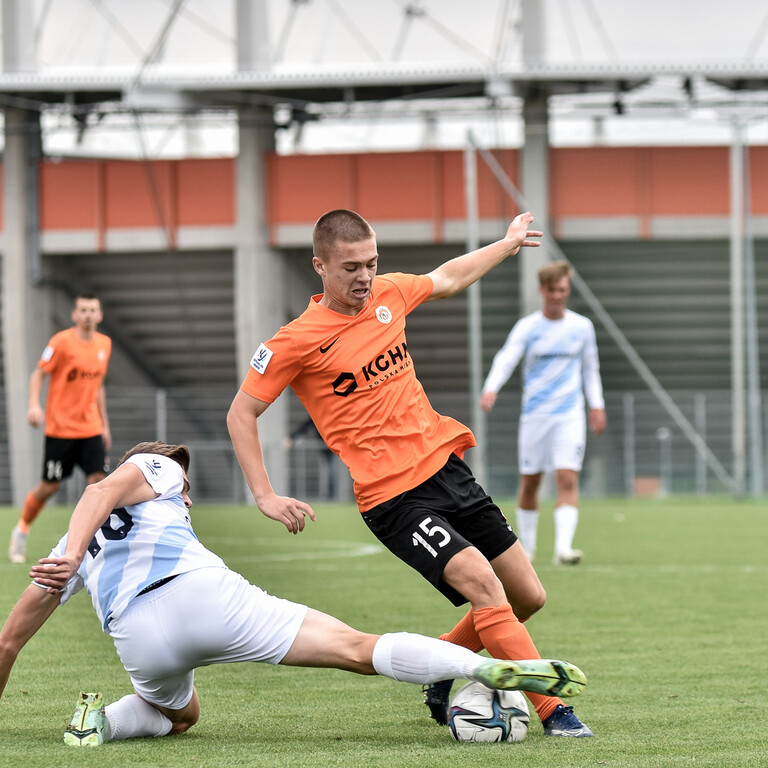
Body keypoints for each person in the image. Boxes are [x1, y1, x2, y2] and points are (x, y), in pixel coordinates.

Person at [227, 209, 593, 737]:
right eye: (351, 266)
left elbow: (447, 277)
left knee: (527, 596)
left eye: (372, 263)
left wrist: (506, 244)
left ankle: (441, 673)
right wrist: (264, 494)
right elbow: (242, 413)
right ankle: (553, 710)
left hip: (447, 470)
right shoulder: (294, 341)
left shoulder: (389, 296)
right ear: (320, 267)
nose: (364, 276)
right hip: (393, 498)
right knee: (485, 586)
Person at [0, 441, 587, 747]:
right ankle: (481, 668)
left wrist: (73, 554)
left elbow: (7, 644)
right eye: (185, 493)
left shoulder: (66, 549)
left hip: (137, 639)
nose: (186, 499)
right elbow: (98, 492)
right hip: (202, 596)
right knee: (356, 648)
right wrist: (78, 546)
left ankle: (99, 722)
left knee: (177, 716)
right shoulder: (158, 468)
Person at [480, 261, 606, 566]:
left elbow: (590, 369)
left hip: (569, 415)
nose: (557, 295)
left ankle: (564, 549)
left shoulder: (581, 327)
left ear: (568, 290)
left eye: (562, 289)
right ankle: (529, 549)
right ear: (542, 291)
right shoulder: (528, 327)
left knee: (566, 477)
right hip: (535, 415)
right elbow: (507, 357)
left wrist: (597, 404)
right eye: (552, 290)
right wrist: (491, 386)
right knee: (531, 481)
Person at [8, 292, 112, 564]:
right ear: (74, 315)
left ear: (99, 315)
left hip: (90, 429)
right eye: (83, 310)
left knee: (98, 483)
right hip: (60, 430)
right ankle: (21, 530)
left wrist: (104, 425)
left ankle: (89, 543)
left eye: (93, 310)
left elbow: (99, 386)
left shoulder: (105, 344)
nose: (88, 315)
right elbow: (38, 373)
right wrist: (34, 405)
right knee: (49, 487)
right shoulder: (61, 343)